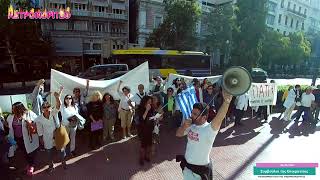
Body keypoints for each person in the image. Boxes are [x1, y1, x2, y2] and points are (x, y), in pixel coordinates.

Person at [176, 90, 232, 180]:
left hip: (200, 172)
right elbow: (178, 134)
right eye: (192, 113)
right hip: (187, 168)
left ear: (204, 117)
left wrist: (227, 102)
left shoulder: (210, 129)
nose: (191, 115)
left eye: (195, 114)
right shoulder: (191, 125)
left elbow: (220, 117)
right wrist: (184, 126)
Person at [35, 87, 67, 173]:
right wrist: (41, 138)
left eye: (48, 106)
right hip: (47, 137)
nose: (46, 108)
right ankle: (51, 166)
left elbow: (58, 105)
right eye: (44, 107)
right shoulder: (39, 119)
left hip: (57, 135)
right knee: (49, 153)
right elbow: (39, 129)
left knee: (61, 150)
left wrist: (57, 97)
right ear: (42, 109)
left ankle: (63, 162)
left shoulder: (54, 112)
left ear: (49, 107)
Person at [7, 102, 39, 176]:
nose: (12, 110)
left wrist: (30, 122)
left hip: (29, 139)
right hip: (18, 139)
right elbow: (8, 125)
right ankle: (30, 163)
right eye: (12, 108)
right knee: (24, 152)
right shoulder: (11, 116)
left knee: (30, 152)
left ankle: (31, 165)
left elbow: (37, 121)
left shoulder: (29, 113)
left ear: (19, 109)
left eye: (14, 108)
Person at [137, 96, 155, 166]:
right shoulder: (141, 108)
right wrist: (147, 110)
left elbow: (151, 117)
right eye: (149, 102)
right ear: (145, 101)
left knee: (149, 144)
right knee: (143, 145)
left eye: (151, 102)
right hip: (143, 129)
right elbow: (142, 119)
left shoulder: (151, 108)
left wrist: (156, 117)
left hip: (150, 128)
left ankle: (146, 156)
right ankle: (141, 158)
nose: (150, 103)